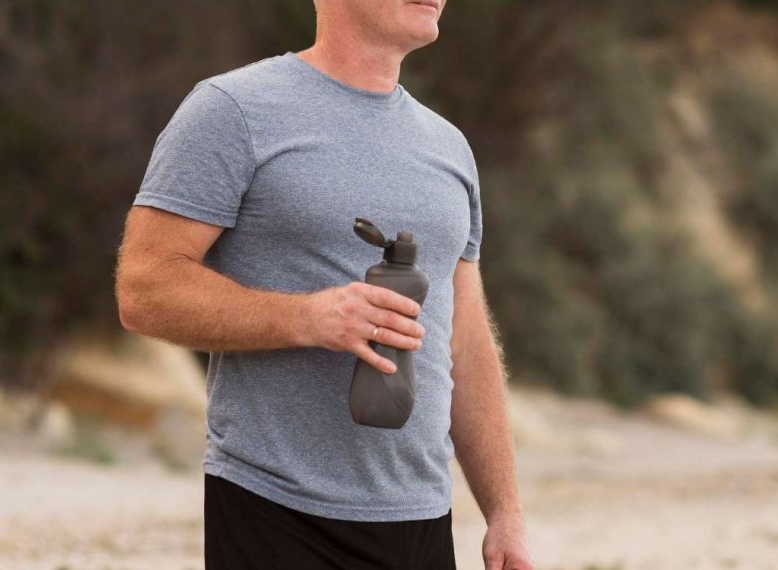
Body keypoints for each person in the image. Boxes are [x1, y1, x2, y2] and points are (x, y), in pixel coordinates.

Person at [114, 0, 534, 568]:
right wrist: (306, 318)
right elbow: (144, 289)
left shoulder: (449, 147)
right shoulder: (233, 110)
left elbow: (465, 339)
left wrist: (504, 511)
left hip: (420, 520)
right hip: (273, 509)